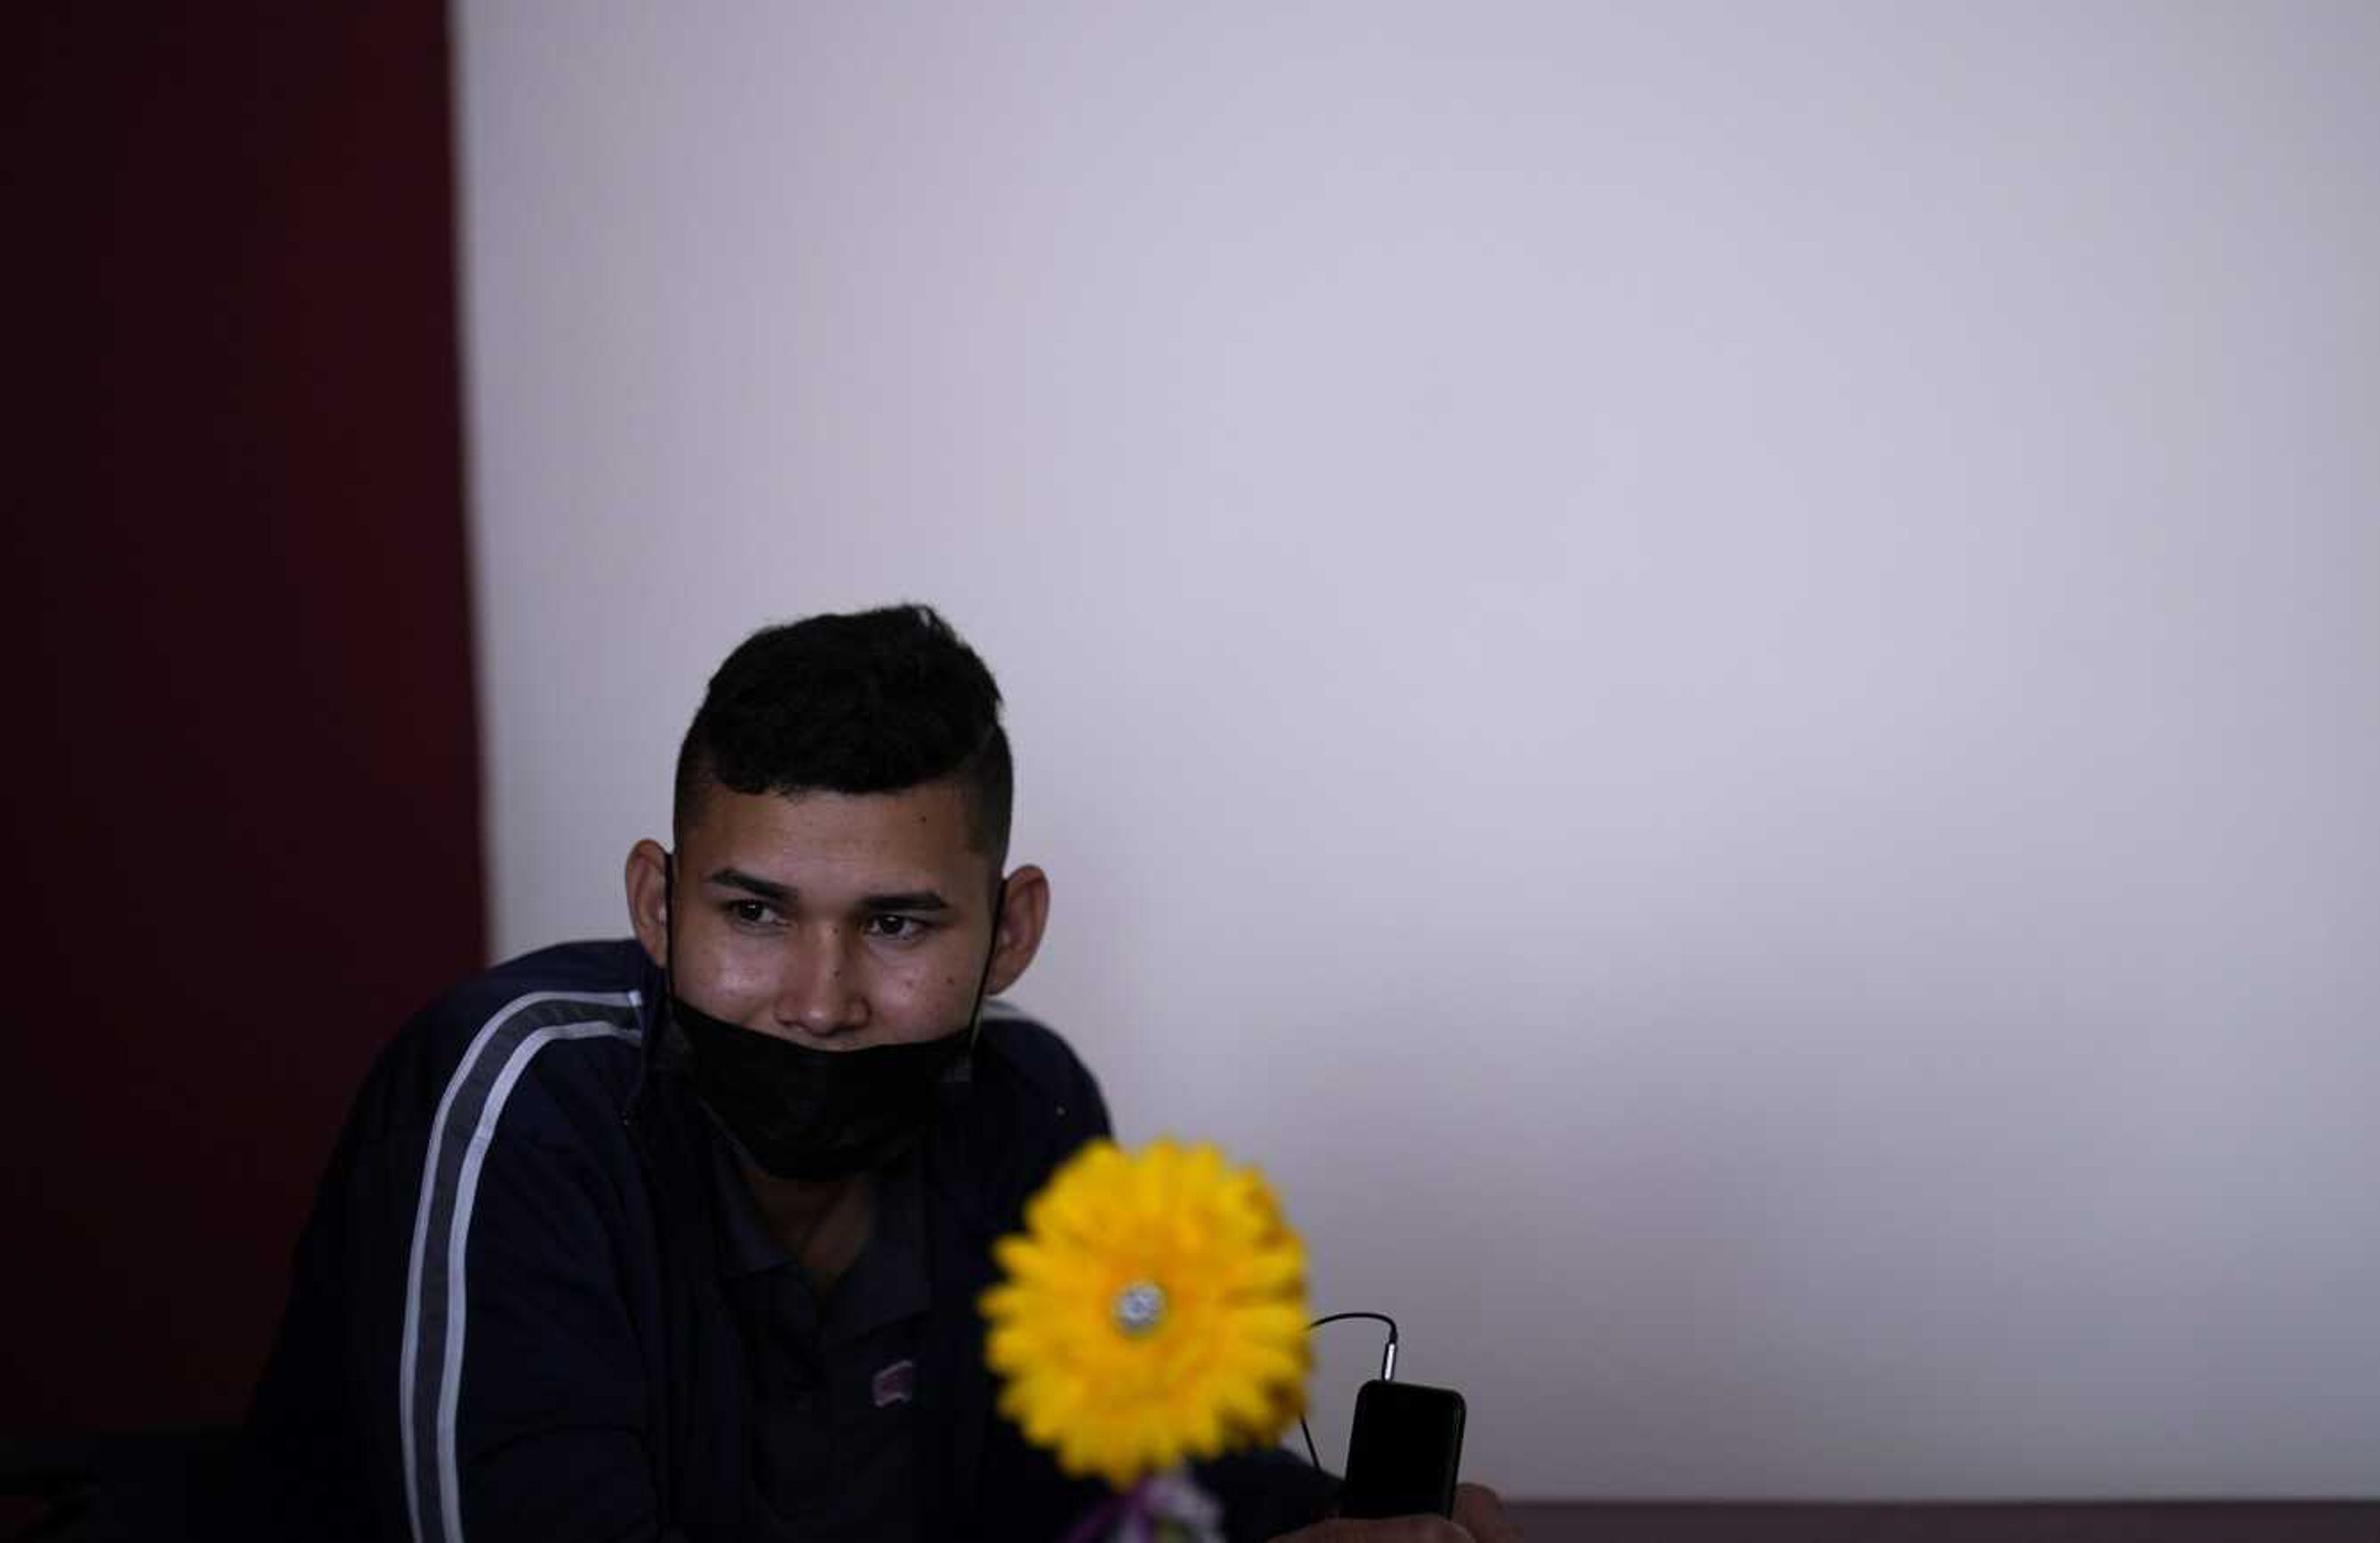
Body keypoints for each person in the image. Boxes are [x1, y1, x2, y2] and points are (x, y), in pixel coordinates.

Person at [240, 604, 1517, 1543]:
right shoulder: (521, 1097)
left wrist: (1333, 1525)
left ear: (1010, 932)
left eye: (898, 924)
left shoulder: (1028, 1102)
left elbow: (1114, 1482)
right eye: (751, 912)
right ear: (657, 901)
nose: (818, 1000)